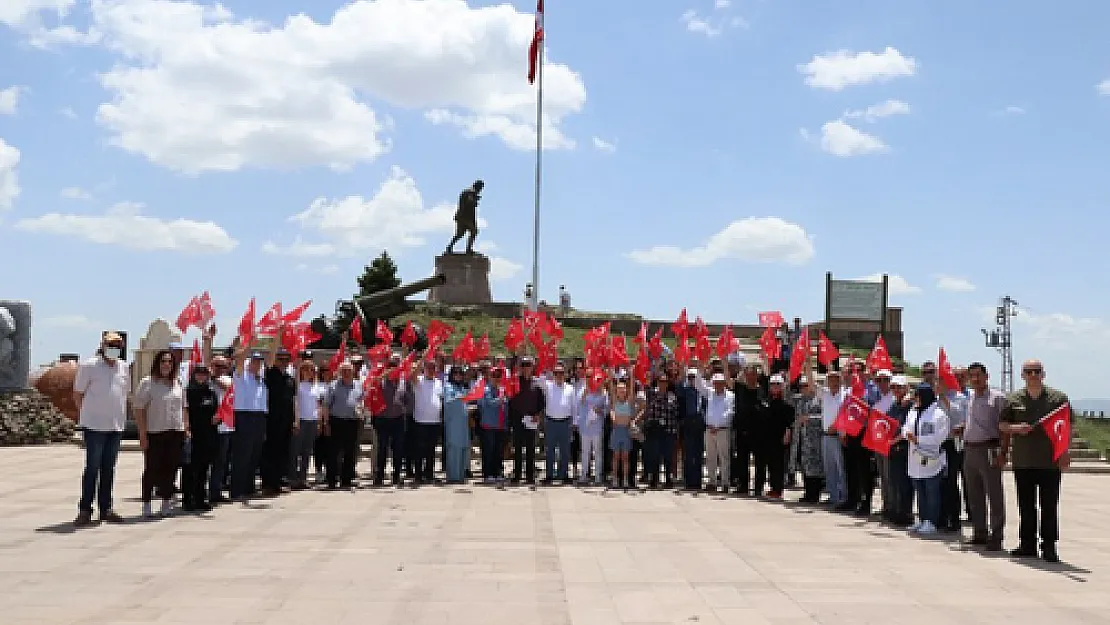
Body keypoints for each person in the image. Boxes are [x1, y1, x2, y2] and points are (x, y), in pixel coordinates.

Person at [999, 359, 1071, 563]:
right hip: (1023, 461)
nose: (1032, 375)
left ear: (1043, 374)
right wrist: (1015, 429)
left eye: (1036, 371)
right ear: (1022, 375)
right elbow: (1003, 425)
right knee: (1026, 505)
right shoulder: (1013, 399)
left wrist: (1065, 452)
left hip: (1049, 461)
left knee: (1049, 506)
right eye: (1028, 372)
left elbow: (1066, 426)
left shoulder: (1057, 399)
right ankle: (1027, 544)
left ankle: (1049, 545)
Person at [72, 331, 130, 526]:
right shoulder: (89, 366)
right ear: (103, 346)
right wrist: (87, 414)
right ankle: (85, 509)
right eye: (110, 345)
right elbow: (78, 393)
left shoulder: (123, 368)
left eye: (117, 346)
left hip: (115, 426)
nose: (114, 349)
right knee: (92, 468)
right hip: (94, 426)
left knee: (109, 469)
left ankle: (106, 508)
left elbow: (124, 394)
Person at [134, 348, 188, 518]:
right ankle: (147, 503)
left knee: (170, 469)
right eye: (163, 361)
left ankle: (166, 501)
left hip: (175, 431)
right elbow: (139, 409)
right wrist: (142, 433)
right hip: (155, 432)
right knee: (152, 469)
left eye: (170, 362)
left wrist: (186, 426)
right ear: (157, 363)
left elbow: (184, 407)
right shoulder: (147, 383)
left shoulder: (178, 382)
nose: (166, 364)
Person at [962, 362, 1007, 551]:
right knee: (974, 494)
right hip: (970, 450)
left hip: (989, 449)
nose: (975, 379)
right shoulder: (970, 397)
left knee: (993, 494)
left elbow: (1005, 427)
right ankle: (979, 532)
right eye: (972, 376)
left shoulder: (997, 398)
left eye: (978, 375)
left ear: (987, 376)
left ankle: (996, 535)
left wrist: (1003, 452)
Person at [902, 384, 950, 537]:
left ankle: (932, 521)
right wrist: (907, 434)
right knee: (920, 491)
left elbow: (939, 437)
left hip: (931, 459)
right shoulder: (913, 411)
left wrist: (918, 439)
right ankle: (922, 519)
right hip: (915, 458)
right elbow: (905, 428)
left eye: (918, 396)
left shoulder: (938, 414)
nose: (915, 399)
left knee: (932, 492)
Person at [803, 357, 848, 509]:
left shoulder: (845, 395)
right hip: (826, 437)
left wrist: (837, 427)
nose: (833, 382)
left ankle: (843, 497)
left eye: (836, 379)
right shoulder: (826, 394)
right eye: (831, 379)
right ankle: (833, 496)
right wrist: (808, 366)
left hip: (839, 437)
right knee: (829, 468)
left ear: (841, 381)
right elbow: (811, 385)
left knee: (841, 468)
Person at [230, 349, 268, 502]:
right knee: (242, 455)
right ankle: (237, 490)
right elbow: (239, 360)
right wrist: (248, 343)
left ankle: (248, 487)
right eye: (254, 361)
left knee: (254, 454)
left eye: (259, 362)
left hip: (259, 416)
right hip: (244, 415)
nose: (256, 364)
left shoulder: (260, 378)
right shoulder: (241, 375)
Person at [261, 345, 297, 497]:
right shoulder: (270, 374)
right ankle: (268, 483)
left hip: (286, 419)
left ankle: (279, 481)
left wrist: (295, 420)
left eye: (286, 359)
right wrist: (278, 336)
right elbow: (268, 358)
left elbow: (293, 400)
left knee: (284, 451)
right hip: (272, 419)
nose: (283, 362)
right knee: (270, 451)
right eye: (280, 359)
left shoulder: (289, 379)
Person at [183, 364, 219, 512]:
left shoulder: (211, 392)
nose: (201, 376)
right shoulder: (188, 392)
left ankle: (200, 498)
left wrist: (218, 418)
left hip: (208, 435)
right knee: (190, 468)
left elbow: (217, 410)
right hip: (193, 434)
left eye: (204, 374)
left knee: (204, 468)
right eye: (198, 373)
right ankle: (188, 498)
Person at [372, 354, 410, 487]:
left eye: (395, 367)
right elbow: (371, 385)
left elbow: (407, 399)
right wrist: (383, 375)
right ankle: (379, 476)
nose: (393, 370)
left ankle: (396, 475)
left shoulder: (402, 382)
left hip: (398, 420)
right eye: (390, 367)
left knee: (398, 449)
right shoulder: (380, 382)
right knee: (382, 448)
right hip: (383, 420)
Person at [323, 362, 363, 489]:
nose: (346, 373)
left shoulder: (358, 385)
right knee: (334, 452)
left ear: (353, 372)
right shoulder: (333, 386)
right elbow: (326, 405)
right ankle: (332, 479)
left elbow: (362, 401)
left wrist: (361, 409)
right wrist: (326, 422)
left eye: (348, 370)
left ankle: (346, 479)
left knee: (350, 452)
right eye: (344, 370)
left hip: (352, 422)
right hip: (336, 421)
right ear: (340, 372)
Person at [755, 374, 795, 500]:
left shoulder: (787, 402)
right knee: (767, 464)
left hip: (779, 438)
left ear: (783, 386)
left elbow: (790, 422)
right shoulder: (766, 401)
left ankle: (777, 490)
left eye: (778, 384)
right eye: (773, 384)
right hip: (766, 437)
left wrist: (787, 435)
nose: (775, 387)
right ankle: (770, 488)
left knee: (778, 464)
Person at [883, 375, 914, 526]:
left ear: (906, 388)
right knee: (894, 481)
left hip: (905, 447)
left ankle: (906, 513)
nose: (895, 390)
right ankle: (897, 511)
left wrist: (894, 440)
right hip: (893, 448)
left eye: (899, 387)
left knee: (904, 483)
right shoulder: (893, 405)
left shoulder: (910, 405)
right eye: (893, 387)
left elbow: (908, 427)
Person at [509, 357, 544, 485]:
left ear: (533, 367)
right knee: (517, 449)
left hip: (531, 419)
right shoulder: (515, 382)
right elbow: (511, 401)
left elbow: (541, 402)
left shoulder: (537, 384)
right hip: (518, 419)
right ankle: (517, 475)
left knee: (530, 449)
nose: (526, 367)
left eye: (528, 365)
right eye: (523, 365)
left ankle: (530, 476)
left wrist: (537, 415)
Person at [642, 371, 680, 489]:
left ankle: (668, 479)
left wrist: (675, 430)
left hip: (668, 430)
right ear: (657, 382)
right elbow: (646, 385)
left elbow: (676, 414)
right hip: (655, 430)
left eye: (665, 381)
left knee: (668, 456)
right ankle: (654, 480)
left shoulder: (672, 396)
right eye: (661, 381)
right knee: (655, 456)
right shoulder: (652, 394)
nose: (663, 383)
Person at [290, 360, 324, 490]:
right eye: (307, 369)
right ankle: (293, 478)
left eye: (312, 370)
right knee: (295, 450)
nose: (310, 372)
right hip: (301, 420)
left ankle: (303, 478)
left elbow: (318, 405)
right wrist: (296, 420)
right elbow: (296, 403)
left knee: (307, 451)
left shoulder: (316, 386)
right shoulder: (298, 385)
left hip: (313, 420)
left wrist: (319, 422)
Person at [411, 359, 445, 485]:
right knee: (419, 450)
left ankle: (429, 474)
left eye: (433, 368)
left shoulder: (439, 382)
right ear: (424, 368)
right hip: (420, 421)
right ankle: (418, 475)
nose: (431, 370)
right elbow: (412, 374)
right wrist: (423, 357)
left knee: (431, 450)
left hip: (435, 421)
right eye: (429, 367)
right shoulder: (419, 379)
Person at [541, 363, 576, 485]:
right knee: (549, 450)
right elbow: (540, 379)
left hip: (565, 423)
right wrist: (545, 362)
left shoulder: (570, 388)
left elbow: (574, 407)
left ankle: (563, 474)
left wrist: (574, 422)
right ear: (553, 374)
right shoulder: (548, 386)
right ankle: (549, 475)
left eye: (561, 373)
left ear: (565, 374)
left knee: (565, 451)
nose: (559, 375)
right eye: (556, 373)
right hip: (551, 422)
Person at [701, 372, 734, 493]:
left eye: (719, 383)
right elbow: (699, 384)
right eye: (715, 383)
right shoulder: (710, 393)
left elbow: (730, 412)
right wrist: (700, 367)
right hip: (709, 430)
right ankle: (712, 482)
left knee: (724, 457)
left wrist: (718, 426)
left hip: (722, 430)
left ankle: (725, 483)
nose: (717, 385)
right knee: (711, 457)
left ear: (724, 383)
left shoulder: (730, 396)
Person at [675, 367, 706, 491]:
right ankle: (688, 481)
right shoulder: (685, 390)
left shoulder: (703, 390)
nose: (692, 379)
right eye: (690, 377)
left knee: (698, 453)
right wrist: (682, 369)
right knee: (688, 452)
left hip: (700, 421)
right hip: (689, 421)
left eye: (694, 377)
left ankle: (697, 481)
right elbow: (678, 386)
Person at [477, 366, 509, 483]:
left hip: (500, 425)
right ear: (489, 377)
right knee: (488, 451)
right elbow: (489, 403)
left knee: (498, 451)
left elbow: (506, 407)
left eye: (498, 376)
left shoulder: (502, 390)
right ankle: (488, 474)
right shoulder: (485, 390)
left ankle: (498, 472)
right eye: (494, 375)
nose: (496, 378)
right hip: (488, 425)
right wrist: (500, 399)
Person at [575, 373, 609, 486]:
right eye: (588, 376)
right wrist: (586, 391)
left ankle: (598, 477)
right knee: (585, 452)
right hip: (585, 427)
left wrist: (599, 410)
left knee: (598, 453)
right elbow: (579, 403)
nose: (590, 379)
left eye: (592, 377)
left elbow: (607, 409)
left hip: (597, 427)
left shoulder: (603, 393)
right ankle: (583, 476)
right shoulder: (583, 390)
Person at [442, 366, 471, 484]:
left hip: (463, 424)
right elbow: (448, 401)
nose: (458, 375)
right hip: (453, 423)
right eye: (456, 373)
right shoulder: (448, 387)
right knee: (454, 448)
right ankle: (453, 477)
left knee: (463, 448)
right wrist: (459, 397)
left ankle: (460, 476)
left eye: (460, 373)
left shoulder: (462, 388)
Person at [608, 379, 638, 490]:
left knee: (625, 457)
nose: (621, 390)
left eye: (623, 388)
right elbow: (611, 388)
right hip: (616, 431)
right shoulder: (614, 401)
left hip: (626, 431)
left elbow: (632, 387)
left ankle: (625, 479)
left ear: (626, 390)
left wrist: (631, 374)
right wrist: (610, 374)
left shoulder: (629, 401)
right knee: (616, 457)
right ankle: (615, 479)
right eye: (619, 388)